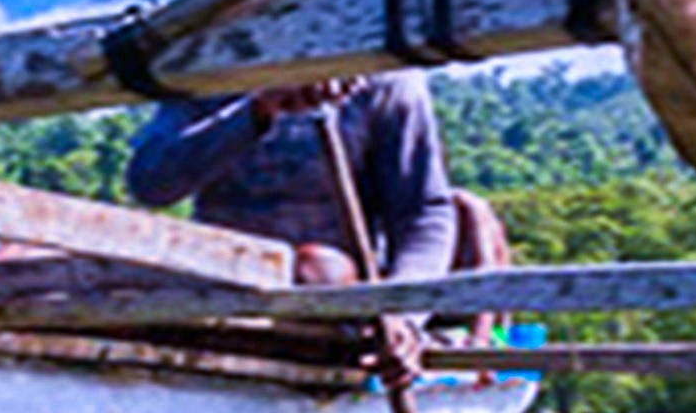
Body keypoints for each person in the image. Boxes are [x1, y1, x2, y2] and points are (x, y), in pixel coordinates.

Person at [122, 77, 507, 375]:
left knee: (316, 266)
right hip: (220, 286)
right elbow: (151, 185)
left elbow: (422, 213)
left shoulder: (386, 81)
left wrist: (402, 315)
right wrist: (259, 108)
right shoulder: (209, 71)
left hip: (332, 294)